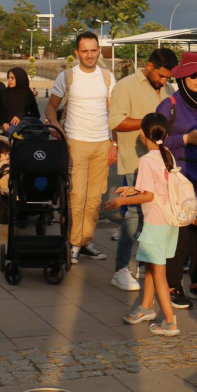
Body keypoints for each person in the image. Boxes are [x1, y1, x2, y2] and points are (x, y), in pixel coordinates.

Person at [107, 112, 183, 337]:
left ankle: (170, 321)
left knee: (158, 272)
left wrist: (122, 200)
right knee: (151, 265)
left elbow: (148, 196)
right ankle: (147, 307)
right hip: (170, 223)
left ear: (142, 133)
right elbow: (158, 187)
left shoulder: (146, 159)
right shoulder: (167, 154)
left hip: (155, 223)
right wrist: (133, 189)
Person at [109, 48, 177, 291]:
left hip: (159, 162)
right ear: (149, 67)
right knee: (135, 214)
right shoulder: (126, 86)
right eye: (160, 75)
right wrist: (150, 121)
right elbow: (115, 121)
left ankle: (146, 263)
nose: (163, 81)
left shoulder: (167, 89)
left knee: (156, 214)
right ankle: (120, 268)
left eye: (167, 77)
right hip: (136, 159)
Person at [47, 31, 117, 264]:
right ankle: (74, 243)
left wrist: (114, 143)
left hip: (101, 142)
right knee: (77, 196)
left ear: (99, 51)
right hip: (75, 142)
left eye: (93, 50)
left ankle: (86, 242)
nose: (90, 55)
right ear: (76, 53)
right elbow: (50, 109)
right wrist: (58, 130)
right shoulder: (67, 77)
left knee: (95, 198)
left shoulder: (107, 77)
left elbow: (113, 112)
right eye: (85, 51)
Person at [160, 51, 197, 308]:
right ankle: (173, 285)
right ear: (182, 76)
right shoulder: (170, 104)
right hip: (181, 177)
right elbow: (156, 141)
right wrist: (185, 139)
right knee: (181, 235)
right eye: (194, 74)